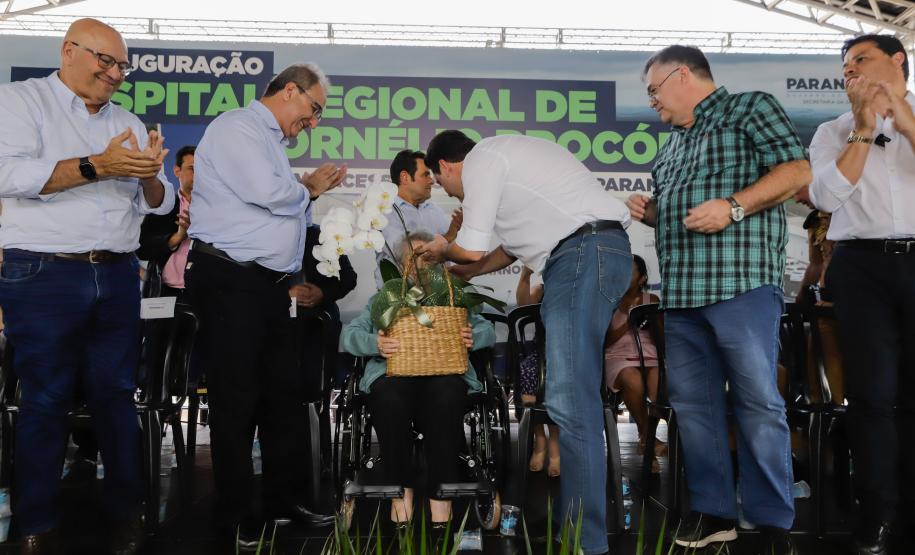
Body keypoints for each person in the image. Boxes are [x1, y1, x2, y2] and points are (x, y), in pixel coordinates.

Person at [0, 18, 174, 555]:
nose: (114, 73)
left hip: (119, 274)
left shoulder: (127, 119)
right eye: (105, 60)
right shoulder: (21, 101)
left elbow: (162, 202)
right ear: (68, 50)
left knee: (117, 400)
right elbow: (8, 176)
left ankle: (128, 516)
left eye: (122, 65)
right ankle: (35, 525)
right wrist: (96, 166)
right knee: (46, 401)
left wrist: (146, 172)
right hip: (43, 272)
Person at [627, 45, 810, 554]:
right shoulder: (668, 148)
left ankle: (772, 519)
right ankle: (713, 511)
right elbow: (683, 213)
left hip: (742, 286)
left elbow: (796, 173)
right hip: (682, 294)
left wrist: (733, 207)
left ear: (682, 75)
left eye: (654, 91)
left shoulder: (749, 107)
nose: (653, 103)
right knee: (695, 407)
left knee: (757, 402)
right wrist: (654, 213)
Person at [421, 131, 632, 555]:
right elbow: (507, 250)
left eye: (439, 182)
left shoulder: (483, 159)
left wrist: (442, 250)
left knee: (570, 401)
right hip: (589, 253)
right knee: (572, 399)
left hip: (582, 255)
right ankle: (582, 534)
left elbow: (468, 246)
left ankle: (586, 542)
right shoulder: (507, 166)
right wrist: (469, 269)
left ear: (445, 165)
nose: (444, 190)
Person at [183, 63, 346, 548]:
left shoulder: (270, 143)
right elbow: (269, 195)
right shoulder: (237, 128)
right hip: (230, 279)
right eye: (313, 109)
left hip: (271, 287)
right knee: (237, 400)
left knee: (283, 397)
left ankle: (283, 501)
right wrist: (311, 187)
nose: (313, 122)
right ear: (289, 91)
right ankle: (235, 513)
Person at [808, 33, 915, 555]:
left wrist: (903, 119)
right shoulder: (832, 131)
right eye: (845, 66)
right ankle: (877, 515)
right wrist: (866, 130)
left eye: (861, 61)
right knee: (871, 397)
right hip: (860, 266)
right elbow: (826, 196)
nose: (850, 72)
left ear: (898, 61)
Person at [340, 231, 495, 526]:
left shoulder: (453, 295)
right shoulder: (385, 297)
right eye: (415, 257)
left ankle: (441, 495)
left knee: (447, 395)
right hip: (392, 372)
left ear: (439, 262)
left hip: (445, 373)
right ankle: (401, 492)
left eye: (428, 256)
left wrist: (474, 336)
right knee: (388, 397)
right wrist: (376, 343)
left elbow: (485, 329)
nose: (422, 263)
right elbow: (350, 335)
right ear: (401, 265)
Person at [602, 255, 663, 473]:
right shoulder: (608, 303)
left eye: (631, 270)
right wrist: (629, 322)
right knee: (632, 378)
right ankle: (647, 438)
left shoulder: (652, 299)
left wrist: (652, 322)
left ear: (642, 278)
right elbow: (603, 342)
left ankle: (650, 441)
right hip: (618, 358)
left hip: (650, 356)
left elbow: (661, 339)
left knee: (658, 382)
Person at [375, 149, 461, 287]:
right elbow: (406, 254)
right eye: (426, 174)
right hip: (400, 300)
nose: (432, 181)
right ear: (405, 177)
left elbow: (456, 245)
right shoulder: (385, 212)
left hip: (438, 299)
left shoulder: (433, 209)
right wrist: (448, 237)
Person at [514, 266, 560, 477]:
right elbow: (523, 305)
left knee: (559, 381)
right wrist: (525, 274)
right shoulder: (542, 289)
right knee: (526, 370)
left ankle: (555, 444)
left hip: (567, 352)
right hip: (541, 351)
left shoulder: (576, 288)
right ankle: (539, 439)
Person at [137, 144, 196, 297]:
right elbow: (142, 248)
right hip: (166, 293)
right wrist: (176, 238)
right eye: (193, 169)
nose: (199, 174)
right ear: (177, 171)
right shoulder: (164, 205)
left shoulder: (218, 208)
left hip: (208, 293)